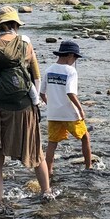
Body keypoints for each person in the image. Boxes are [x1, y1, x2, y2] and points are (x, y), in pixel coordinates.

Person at [0, 6, 51, 208]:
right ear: (16, 25)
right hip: (24, 107)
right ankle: (47, 193)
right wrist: (35, 100)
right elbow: (37, 76)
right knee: (37, 152)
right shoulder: (25, 43)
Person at [40, 40, 91, 178]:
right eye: (75, 57)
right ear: (70, 55)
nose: (75, 61)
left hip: (53, 113)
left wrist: (50, 104)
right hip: (70, 113)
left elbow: (41, 93)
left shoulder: (49, 70)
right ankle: (89, 167)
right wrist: (80, 109)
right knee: (85, 137)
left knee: (52, 143)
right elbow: (70, 92)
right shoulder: (70, 71)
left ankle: (49, 172)